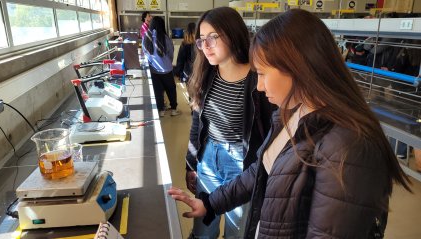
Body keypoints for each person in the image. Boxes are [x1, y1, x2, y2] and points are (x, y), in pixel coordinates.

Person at [169, 9, 412, 238]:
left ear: (296, 67)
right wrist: (209, 204)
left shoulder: (349, 147)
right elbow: (259, 171)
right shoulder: (294, 115)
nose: (259, 86)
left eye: (262, 73)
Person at [183, 7, 273, 239]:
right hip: (209, 158)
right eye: (202, 40)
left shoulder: (258, 81)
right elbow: (198, 124)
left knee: (237, 232)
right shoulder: (206, 75)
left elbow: (270, 132)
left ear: (232, 35)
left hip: (242, 164)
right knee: (203, 229)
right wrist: (191, 164)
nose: (206, 46)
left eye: (213, 37)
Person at [143, 16, 181, 117]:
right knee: (171, 89)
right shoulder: (165, 38)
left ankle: (161, 111)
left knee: (158, 91)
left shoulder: (146, 37)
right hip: (167, 69)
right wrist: (167, 62)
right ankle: (173, 109)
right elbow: (171, 53)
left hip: (154, 70)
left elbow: (145, 53)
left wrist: (152, 62)